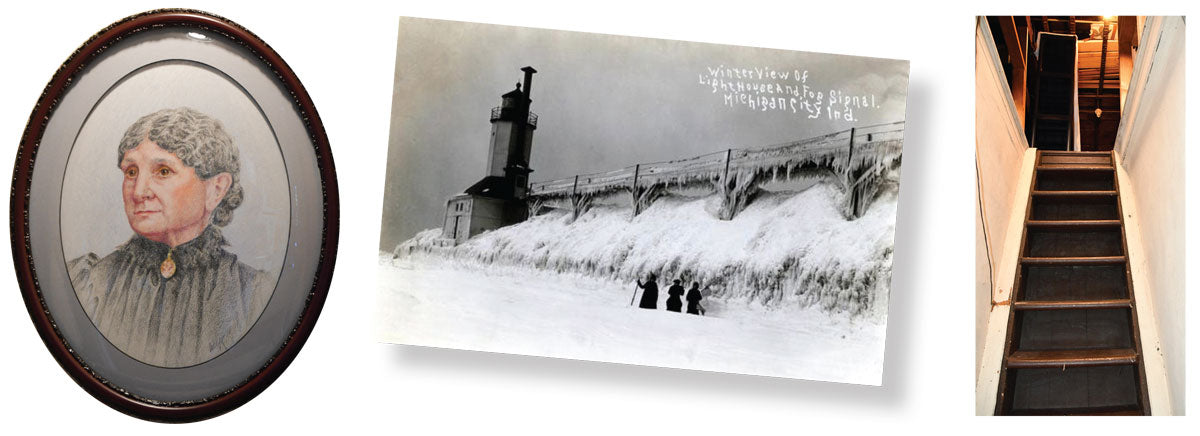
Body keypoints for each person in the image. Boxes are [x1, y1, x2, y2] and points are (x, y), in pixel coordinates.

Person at [68, 107, 272, 368]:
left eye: (163, 171)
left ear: (216, 188)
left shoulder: (252, 295)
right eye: (131, 172)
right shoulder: (88, 283)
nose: (139, 191)